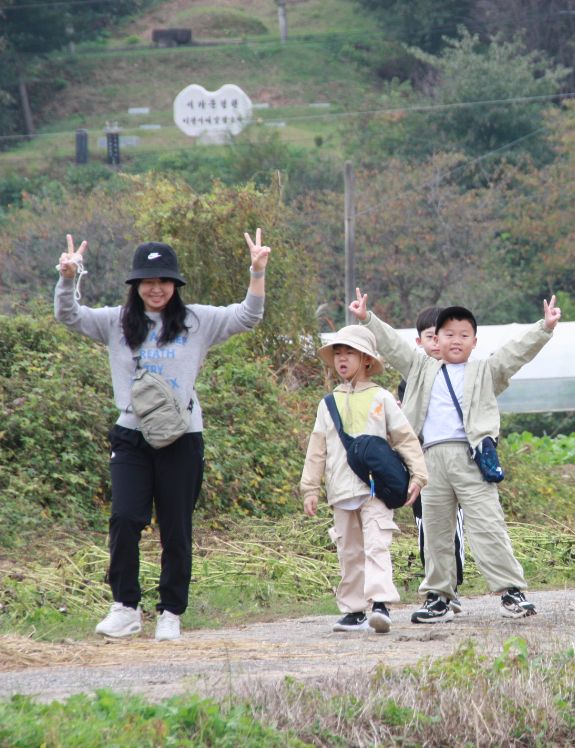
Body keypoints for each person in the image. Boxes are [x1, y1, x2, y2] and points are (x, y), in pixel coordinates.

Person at [54, 231, 270, 641]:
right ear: (136, 285)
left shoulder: (197, 321)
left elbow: (248, 316)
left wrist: (256, 271)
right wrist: (68, 277)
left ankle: (170, 611)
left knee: (176, 527)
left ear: (175, 285)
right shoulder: (116, 322)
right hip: (131, 435)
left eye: (164, 281)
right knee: (124, 518)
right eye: (148, 281)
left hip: (182, 437)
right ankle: (125, 607)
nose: (156, 289)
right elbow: (70, 316)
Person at [349, 289, 561, 622]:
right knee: (434, 531)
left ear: (475, 341)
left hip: (470, 458)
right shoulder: (421, 368)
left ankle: (511, 592)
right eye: (448, 334)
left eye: (464, 335)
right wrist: (367, 318)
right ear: (437, 339)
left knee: (488, 526)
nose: (456, 340)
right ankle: (439, 597)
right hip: (429, 459)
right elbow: (393, 346)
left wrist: (544, 327)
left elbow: (516, 353)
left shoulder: (485, 371)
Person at [300, 325, 428, 634]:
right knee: (349, 550)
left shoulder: (381, 397)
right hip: (341, 488)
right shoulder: (327, 404)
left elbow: (405, 439)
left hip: (376, 489)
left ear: (366, 360)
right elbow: (317, 448)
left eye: (350, 354)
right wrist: (310, 488)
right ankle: (354, 610)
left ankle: (380, 604)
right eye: (338, 354)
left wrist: (419, 476)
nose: (342, 359)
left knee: (376, 545)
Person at [398, 306, 467, 613]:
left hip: (458, 467)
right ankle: (436, 591)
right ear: (420, 341)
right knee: (427, 530)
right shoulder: (409, 381)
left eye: (442, 336)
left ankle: (450, 588)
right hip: (422, 469)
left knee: (455, 531)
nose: (437, 343)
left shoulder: (465, 374)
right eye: (431, 337)